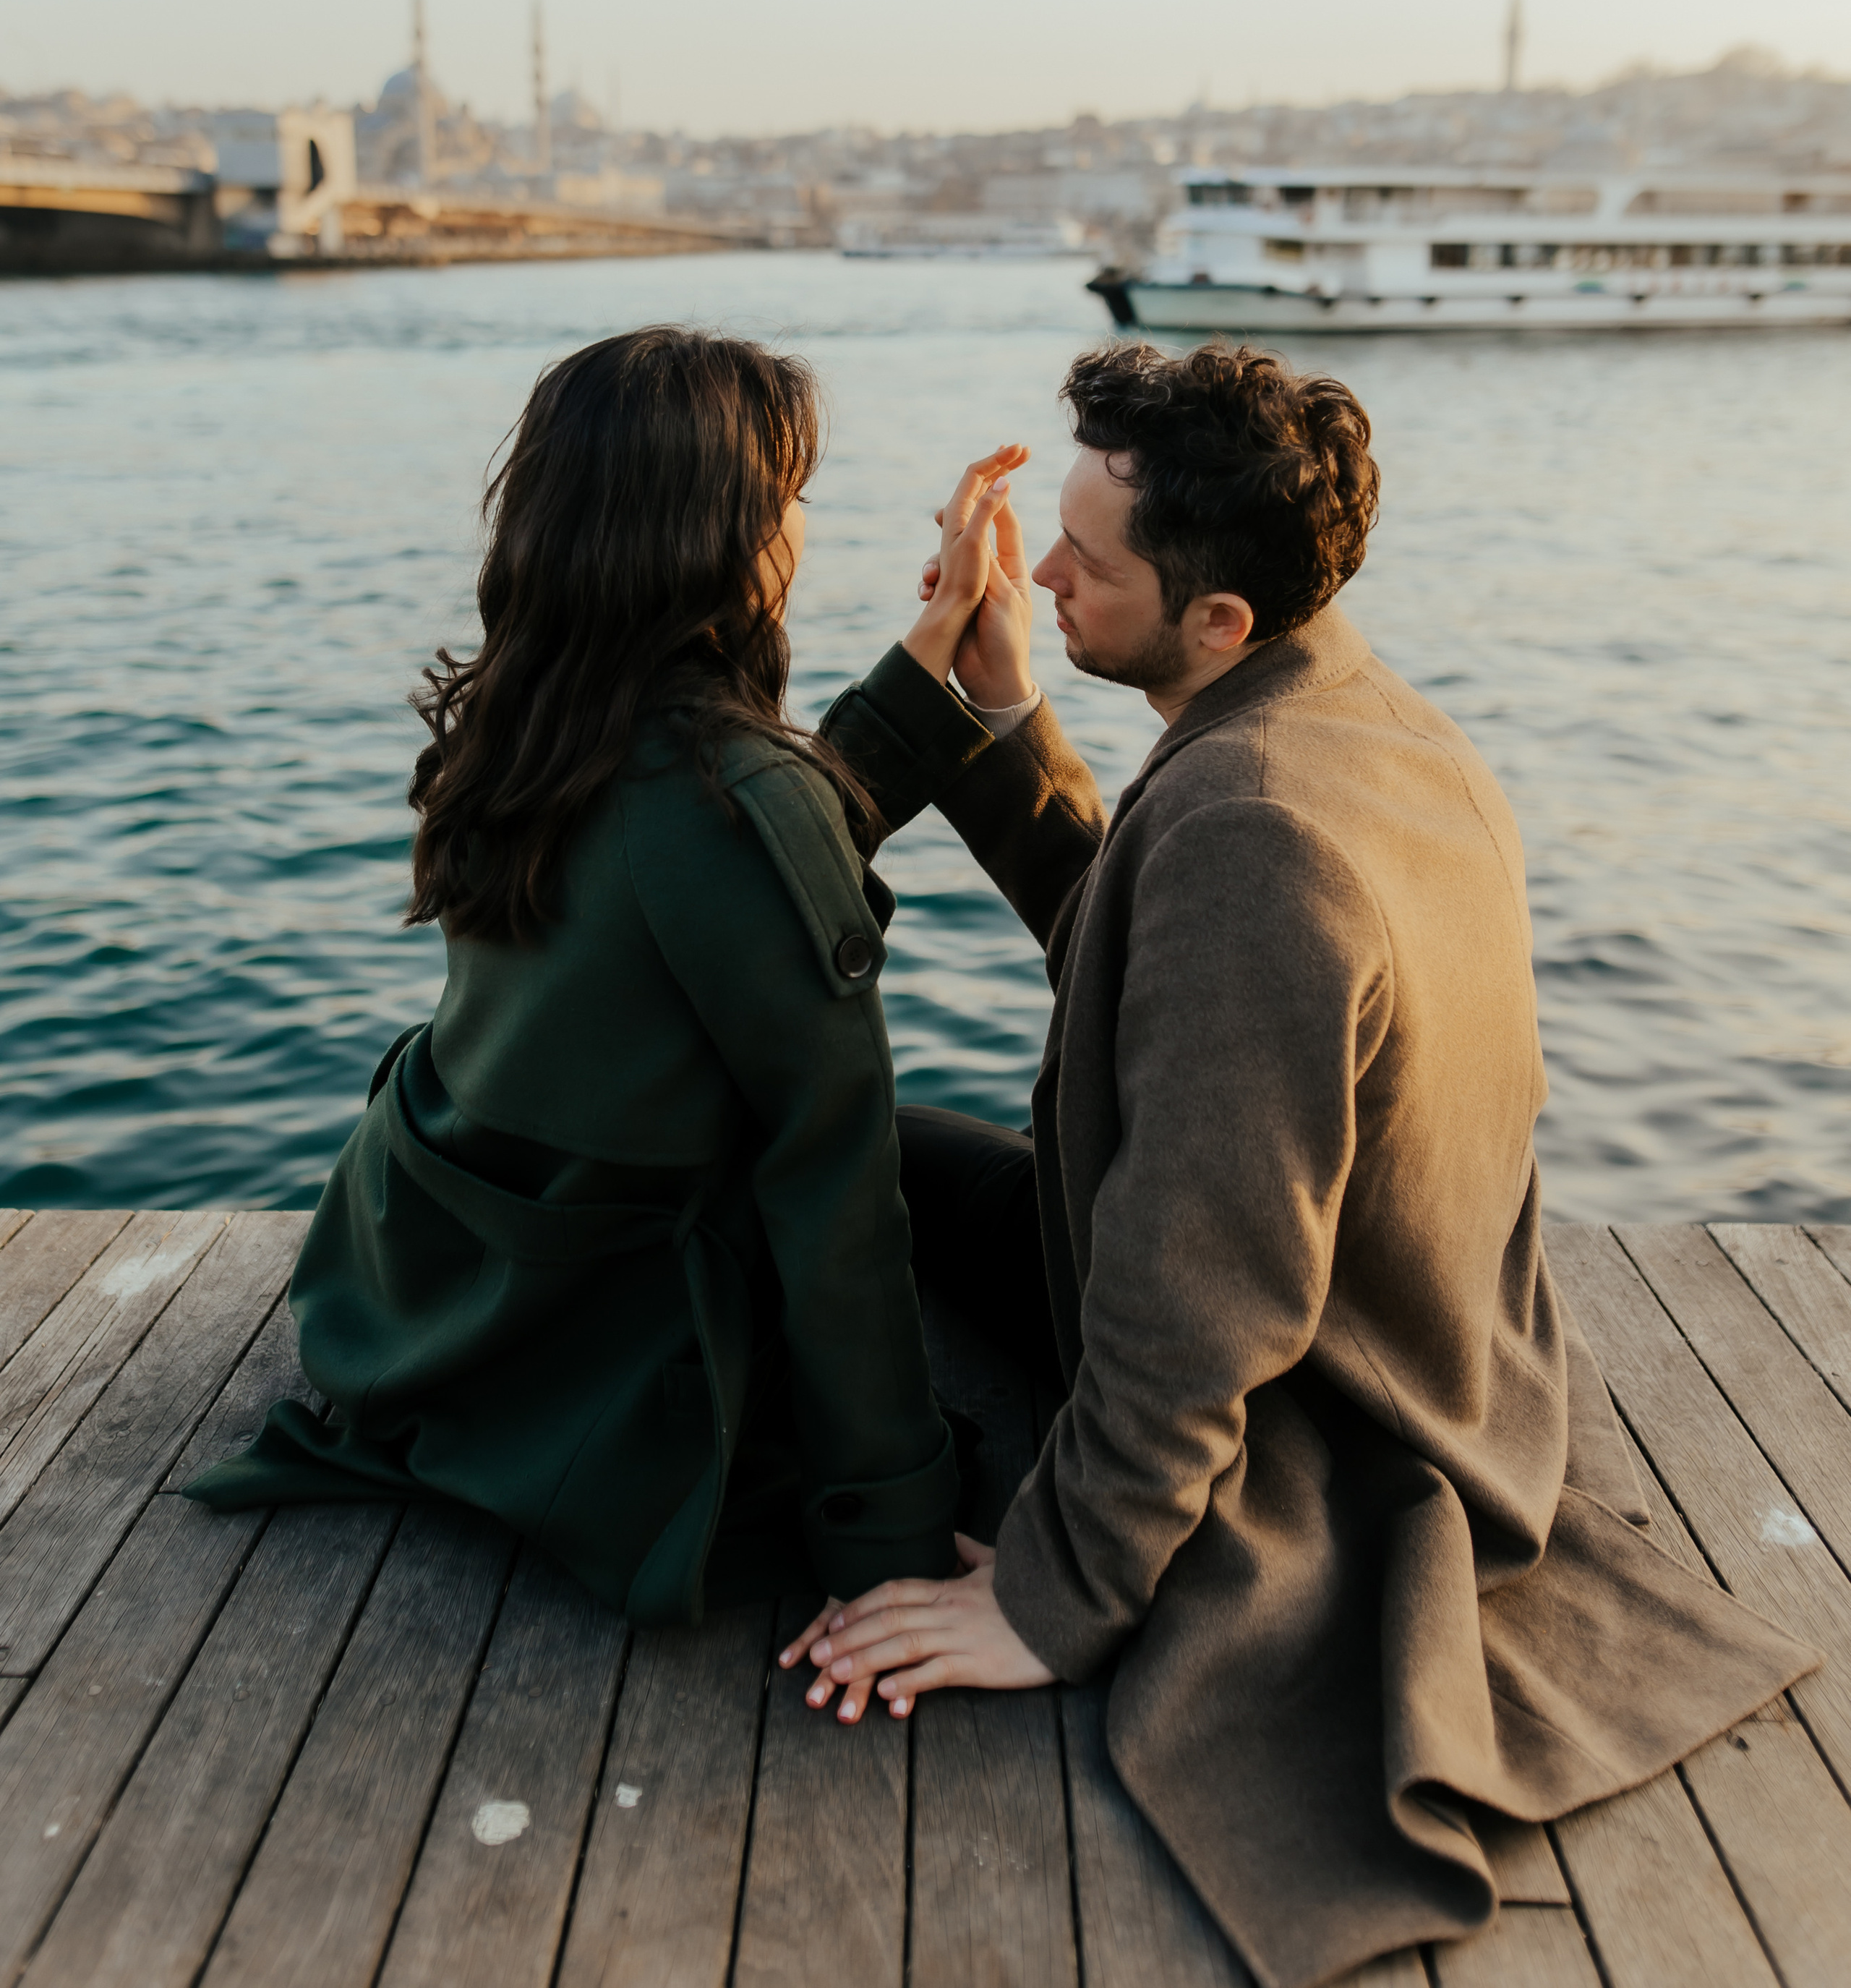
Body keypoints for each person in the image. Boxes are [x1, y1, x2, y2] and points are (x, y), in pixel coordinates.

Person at [786, 340, 1810, 1988]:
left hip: (1321, 1385)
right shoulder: (1363, 721)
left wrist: (1054, 1594)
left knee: (823, 1156)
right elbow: (1148, 954)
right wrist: (1001, 702)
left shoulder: (1253, 827)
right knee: (876, 1149)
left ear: (1214, 621)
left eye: (1084, 562)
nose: (1041, 576)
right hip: (1420, 1311)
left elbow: (1206, 1282)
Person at [187, 327, 959, 1647]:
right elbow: (833, 1178)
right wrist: (893, 1534)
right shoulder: (730, 797)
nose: (801, 528)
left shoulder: (529, 711)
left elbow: (719, 872)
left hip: (418, 1291)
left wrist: (931, 655)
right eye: (793, 497)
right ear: (720, 534)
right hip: (597, 1370)